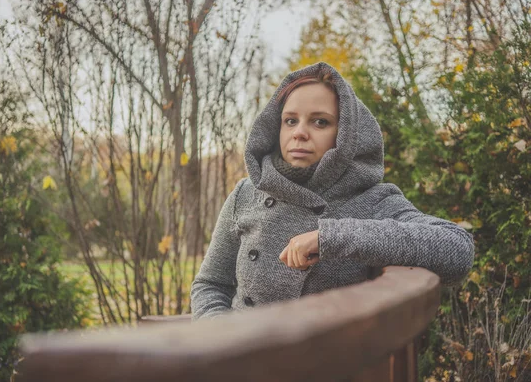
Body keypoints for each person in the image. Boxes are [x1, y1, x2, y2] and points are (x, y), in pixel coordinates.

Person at [190, 62, 474, 320]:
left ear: (346, 134)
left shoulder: (371, 200)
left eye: (320, 121)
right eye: (290, 120)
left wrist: (331, 237)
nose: (299, 132)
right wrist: (219, 336)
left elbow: (457, 249)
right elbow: (211, 284)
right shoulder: (247, 192)